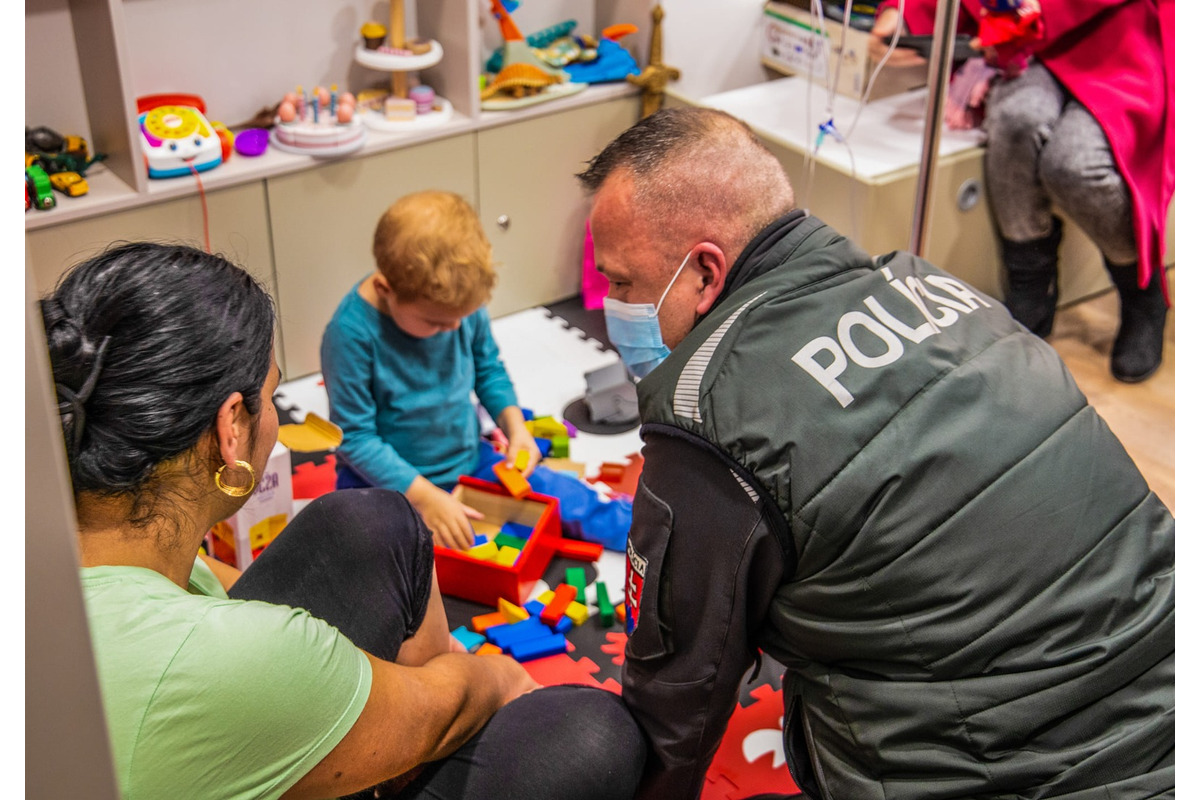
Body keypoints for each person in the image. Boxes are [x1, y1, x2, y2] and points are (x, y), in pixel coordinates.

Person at [577, 107, 1174, 799]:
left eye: (622, 283)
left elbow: (679, 694)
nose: (611, 306)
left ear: (706, 273)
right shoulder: (935, 285)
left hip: (1015, 772)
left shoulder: (706, 411)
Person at [44, 241, 646, 800]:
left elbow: (208, 582)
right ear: (232, 429)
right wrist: (493, 677)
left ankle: (394, 752)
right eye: (274, 393)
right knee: (596, 734)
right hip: (243, 688)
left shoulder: (54, 538)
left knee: (372, 520)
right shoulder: (234, 660)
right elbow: (440, 708)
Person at [868, 0, 1174, 382]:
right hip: (1026, 45)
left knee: (1073, 166)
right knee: (1015, 122)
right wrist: (901, 12)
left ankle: (1141, 289)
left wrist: (1023, 12)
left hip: (1119, 39)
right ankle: (1031, 282)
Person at [321, 190, 630, 551]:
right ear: (384, 289)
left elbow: (488, 370)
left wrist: (516, 430)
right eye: (436, 323)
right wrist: (424, 497)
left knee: (575, 503)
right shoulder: (349, 334)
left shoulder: (458, 305)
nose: (452, 330)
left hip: (468, 460)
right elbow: (355, 438)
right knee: (364, 551)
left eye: (460, 318)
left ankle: (657, 535)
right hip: (382, 484)